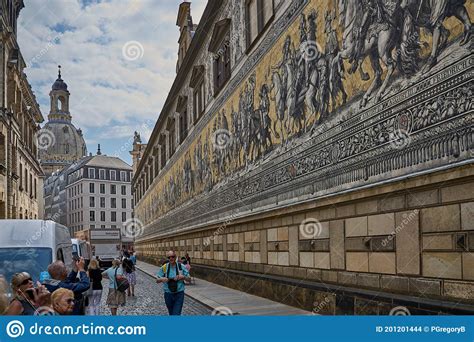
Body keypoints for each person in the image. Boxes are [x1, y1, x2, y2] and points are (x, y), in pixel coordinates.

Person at [156, 250, 191, 316]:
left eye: (172, 256)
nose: (171, 258)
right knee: (171, 313)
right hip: (168, 294)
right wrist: (161, 279)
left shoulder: (181, 266)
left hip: (179, 294)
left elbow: (189, 279)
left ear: (175, 257)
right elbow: (157, 280)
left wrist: (183, 277)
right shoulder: (164, 267)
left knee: (176, 314)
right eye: (169, 257)